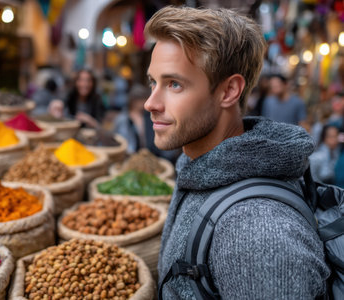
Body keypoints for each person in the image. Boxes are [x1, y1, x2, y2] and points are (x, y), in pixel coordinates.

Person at [144, 6, 329, 299]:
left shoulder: (258, 233)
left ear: (229, 91)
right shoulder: (197, 165)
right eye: (153, 82)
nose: (150, 103)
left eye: (174, 84)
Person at [113, 84, 150, 153]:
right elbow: (120, 139)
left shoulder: (148, 117)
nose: (144, 103)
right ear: (134, 101)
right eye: (141, 100)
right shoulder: (123, 119)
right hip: (128, 154)